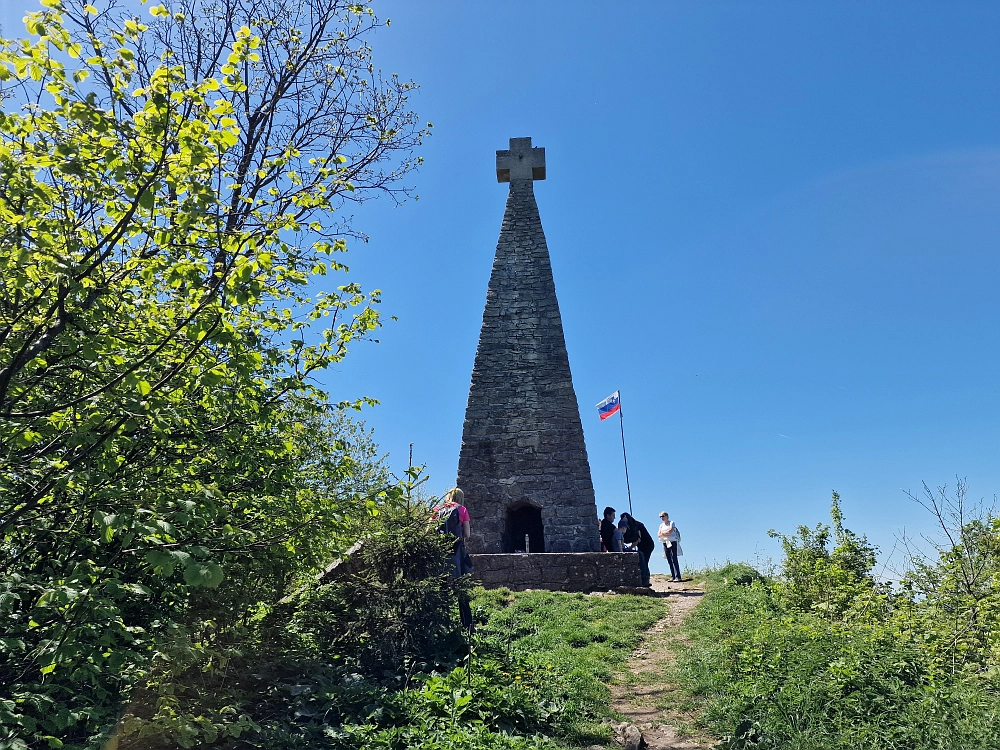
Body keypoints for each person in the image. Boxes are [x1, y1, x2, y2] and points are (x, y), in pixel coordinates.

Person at [434, 488, 473, 629]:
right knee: (461, 588)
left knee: (442, 588)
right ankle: (467, 625)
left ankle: (442, 625)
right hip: (457, 553)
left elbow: (428, 531)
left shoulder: (437, 509)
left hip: (440, 553)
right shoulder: (462, 509)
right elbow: (467, 534)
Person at [620, 512, 655, 587]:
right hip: (641, 546)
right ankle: (645, 579)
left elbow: (637, 540)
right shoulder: (631, 526)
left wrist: (629, 548)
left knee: (644, 561)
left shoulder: (637, 525)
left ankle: (645, 580)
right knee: (643, 561)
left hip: (647, 545)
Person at [658, 511, 683, 582]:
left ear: (667, 516)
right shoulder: (661, 525)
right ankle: (673, 576)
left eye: (663, 516)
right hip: (665, 542)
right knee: (669, 559)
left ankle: (678, 576)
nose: (662, 518)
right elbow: (659, 534)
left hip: (672, 542)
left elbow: (670, 531)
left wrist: (663, 533)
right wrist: (665, 533)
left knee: (674, 558)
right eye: (660, 517)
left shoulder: (672, 523)